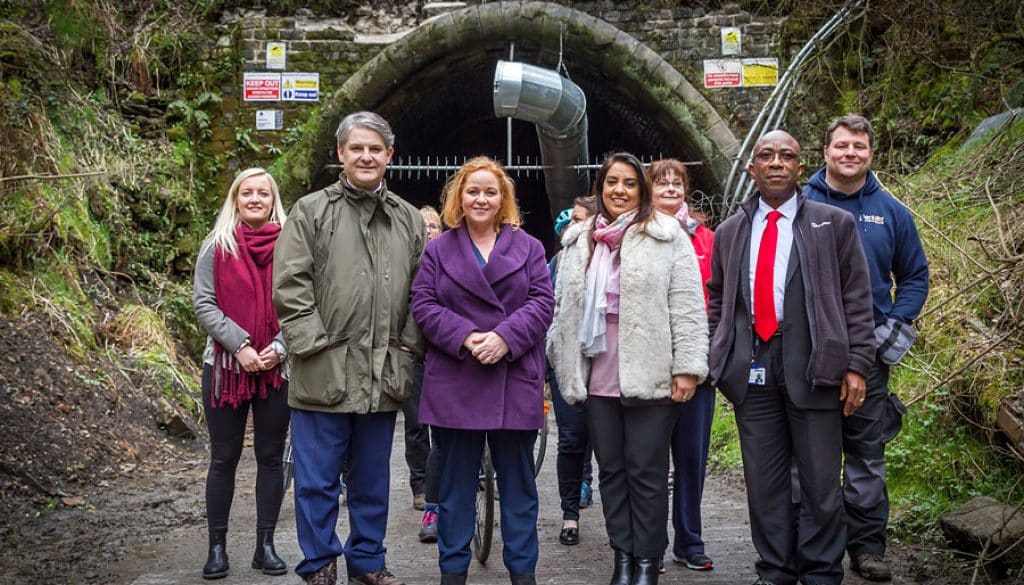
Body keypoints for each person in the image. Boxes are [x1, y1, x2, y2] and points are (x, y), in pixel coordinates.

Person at [706, 130, 876, 585]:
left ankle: (821, 571)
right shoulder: (730, 232)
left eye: (787, 156)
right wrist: (720, 356)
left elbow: (858, 299)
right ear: (752, 168)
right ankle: (775, 569)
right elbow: (718, 298)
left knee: (821, 482)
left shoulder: (833, 224)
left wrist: (857, 363)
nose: (777, 163)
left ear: (801, 167)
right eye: (767, 155)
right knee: (765, 483)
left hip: (815, 367)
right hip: (752, 367)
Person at [273, 111, 426, 585]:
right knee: (316, 480)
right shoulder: (311, 211)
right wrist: (312, 346)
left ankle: (368, 561)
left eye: (375, 149)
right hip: (324, 369)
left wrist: (406, 349)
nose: (366, 156)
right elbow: (290, 284)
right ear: (341, 154)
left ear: (389, 157)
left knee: (372, 481)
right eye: (357, 147)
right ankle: (319, 562)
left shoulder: (407, 219)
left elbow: (422, 294)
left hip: (382, 370)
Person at [547, 152, 709, 585]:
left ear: (642, 189)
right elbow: (563, 309)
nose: (619, 190)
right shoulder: (580, 239)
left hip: (651, 369)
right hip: (597, 372)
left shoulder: (666, 234)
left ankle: (646, 562)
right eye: (611, 182)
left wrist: (688, 368)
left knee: (648, 471)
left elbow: (688, 305)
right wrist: (561, 361)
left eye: (629, 183)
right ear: (601, 187)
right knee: (612, 470)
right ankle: (623, 556)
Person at [411, 156, 554, 585]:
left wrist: (506, 337)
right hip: (458, 376)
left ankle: (522, 573)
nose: (481, 198)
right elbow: (423, 304)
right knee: (454, 490)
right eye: (473, 191)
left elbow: (542, 302)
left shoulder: (529, 247)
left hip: (513, 374)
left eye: (490, 191)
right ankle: (452, 572)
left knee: (519, 489)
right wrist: (468, 336)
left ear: (503, 198)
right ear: (460, 196)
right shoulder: (438, 249)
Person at [804, 115, 929, 582]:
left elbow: (914, 275)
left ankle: (867, 548)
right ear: (826, 151)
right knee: (811, 459)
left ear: (870, 153)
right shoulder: (802, 202)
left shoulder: (891, 211)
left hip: (870, 352)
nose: (849, 153)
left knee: (865, 457)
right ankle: (815, 548)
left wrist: (896, 322)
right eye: (841, 146)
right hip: (809, 352)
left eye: (858, 146)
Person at [193, 167, 290, 579]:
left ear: (273, 200)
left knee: (270, 459)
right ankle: (217, 549)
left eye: (262, 193)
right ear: (235, 198)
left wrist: (280, 347)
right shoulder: (216, 246)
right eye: (246, 192)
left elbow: (306, 300)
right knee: (224, 458)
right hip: (226, 367)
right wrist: (242, 346)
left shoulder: (291, 246)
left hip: (276, 366)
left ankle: (264, 546)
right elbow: (204, 304)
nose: (254, 199)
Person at [647, 159, 716, 573]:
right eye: (662, 183)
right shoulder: (636, 234)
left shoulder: (707, 238)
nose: (671, 189)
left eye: (677, 183)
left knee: (691, 457)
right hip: (650, 364)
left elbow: (722, 297)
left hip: (697, 363)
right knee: (651, 460)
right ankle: (651, 544)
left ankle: (690, 540)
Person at [547, 196, 598, 547]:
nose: (573, 227)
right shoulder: (559, 259)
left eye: (581, 220)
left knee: (609, 442)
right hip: (566, 358)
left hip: (607, 362)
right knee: (571, 439)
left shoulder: (614, 253)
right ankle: (569, 515)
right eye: (571, 221)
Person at [402, 206, 443, 515]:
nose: (428, 230)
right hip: (414, 352)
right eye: (423, 225)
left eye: (433, 225)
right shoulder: (406, 263)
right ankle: (420, 485)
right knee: (416, 424)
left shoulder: (448, 259)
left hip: (444, 352)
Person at [414, 205, 443, 544]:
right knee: (439, 441)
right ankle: (432, 506)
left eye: (434, 225)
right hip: (428, 355)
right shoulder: (415, 259)